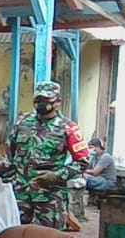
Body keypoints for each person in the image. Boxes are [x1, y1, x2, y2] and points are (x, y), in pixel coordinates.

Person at [6, 81, 89, 230]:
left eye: (46, 101)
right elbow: (10, 153)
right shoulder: (22, 122)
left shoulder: (68, 128)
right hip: (20, 193)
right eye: (38, 100)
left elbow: (82, 162)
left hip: (49, 195)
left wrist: (57, 175)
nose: (41, 104)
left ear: (57, 102)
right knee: (15, 236)